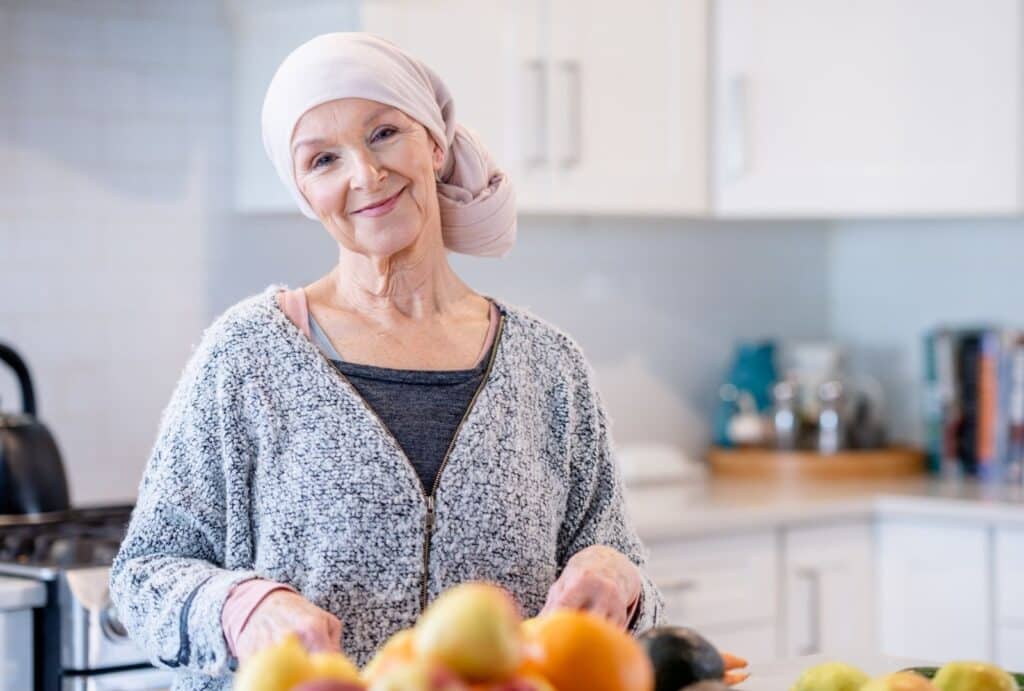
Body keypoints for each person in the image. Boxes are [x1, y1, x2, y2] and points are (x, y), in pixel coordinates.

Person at [110, 32, 664, 690]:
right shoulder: (246, 356)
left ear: (434, 143)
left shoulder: (550, 367)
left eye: (383, 134)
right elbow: (144, 573)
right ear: (305, 193)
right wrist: (242, 609)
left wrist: (618, 576)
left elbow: (627, 574)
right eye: (322, 160)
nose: (364, 176)